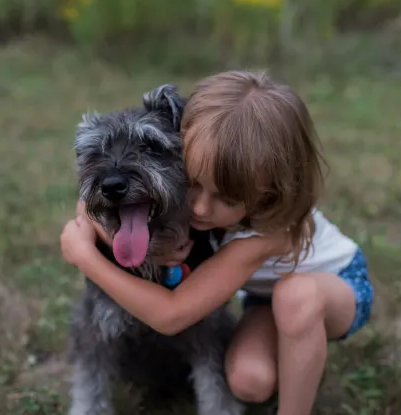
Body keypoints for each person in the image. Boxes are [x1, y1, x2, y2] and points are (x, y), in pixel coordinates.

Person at [60, 70, 373, 415]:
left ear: (267, 194)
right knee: (249, 381)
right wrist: (94, 223)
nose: (199, 207)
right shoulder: (207, 202)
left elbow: (172, 315)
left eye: (225, 198)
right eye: (193, 182)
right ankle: (291, 345)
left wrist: (86, 256)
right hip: (263, 298)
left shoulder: (267, 234)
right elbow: (91, 205)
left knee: (295, 298)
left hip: (337, 286)